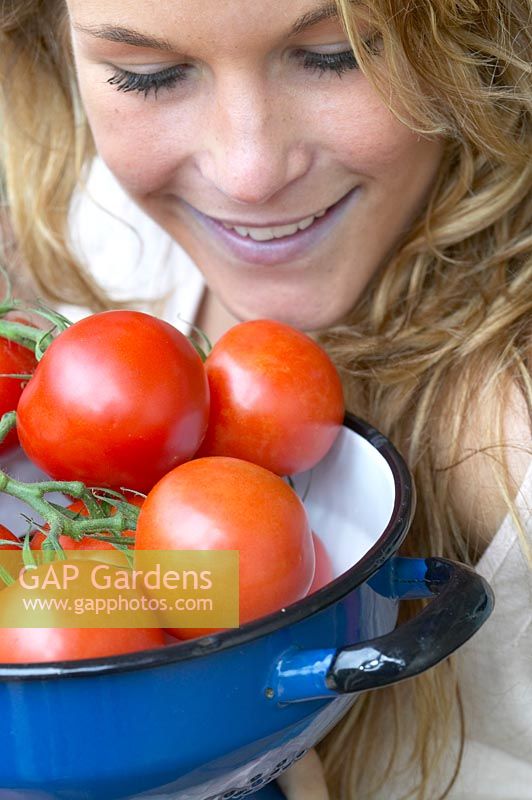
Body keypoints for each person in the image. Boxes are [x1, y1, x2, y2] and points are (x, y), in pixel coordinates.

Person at [0, 1, 530, 798]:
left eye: (335, 55)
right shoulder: (107, 236)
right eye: (147, 76)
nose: (247, 173)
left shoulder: (507, 443)